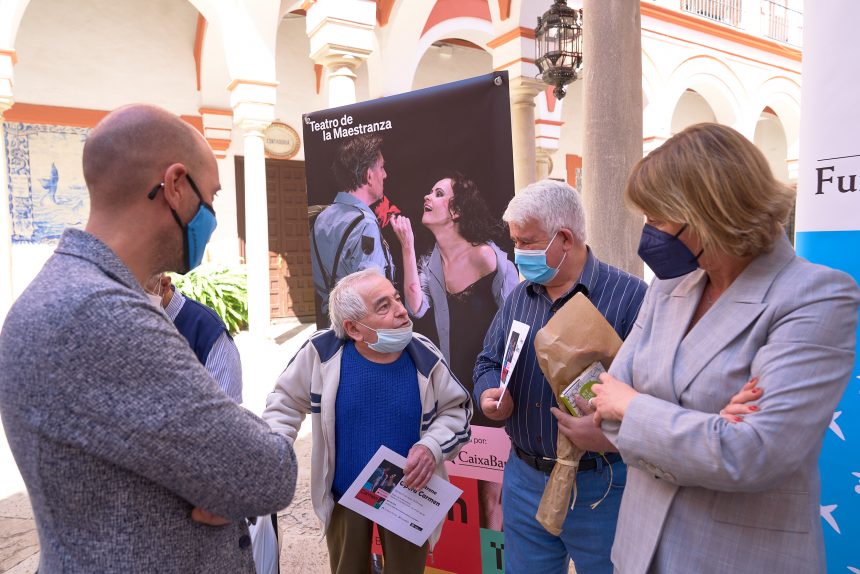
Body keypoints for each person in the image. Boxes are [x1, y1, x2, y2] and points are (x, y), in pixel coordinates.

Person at [0, 104, 297, 573]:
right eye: (212, 196)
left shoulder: (63, 290)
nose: (212, 215)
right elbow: (265, 475)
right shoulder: (105, 315)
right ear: (176, 186)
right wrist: (238, 457)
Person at [589, 123, 860, 574]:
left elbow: (753, 454)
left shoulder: (816, 295)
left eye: (657, 217)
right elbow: (604, 400)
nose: (648, 232)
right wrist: (709, 426)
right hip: (639, 552)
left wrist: (637, 408)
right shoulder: (670, 284)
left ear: (708, 213)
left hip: (737, 557)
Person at [472, 179, 648, 574]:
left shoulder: (632, 297)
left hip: (601, 484)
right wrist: (489, 395)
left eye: (527, 242)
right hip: (525, 480)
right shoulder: (519, 296)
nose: (517, 253)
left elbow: (656, 394)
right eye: (514, 241)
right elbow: (487, 360)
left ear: (564, 239)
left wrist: (608, 432)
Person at [263, 268, 471, 574]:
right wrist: (273, 448)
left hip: (407, 495)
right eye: (383, 306)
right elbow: (284, 402)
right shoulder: (322, 353)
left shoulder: (423, 355)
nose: (402, 311)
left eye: (397, 299)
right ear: (355, 329)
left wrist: (431, 447)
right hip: (345, 493)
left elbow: (458, 412)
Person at [391, 172, 519, 428]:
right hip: (455, 379)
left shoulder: (485, 256)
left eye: (439, 194)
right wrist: (407, 246)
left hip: (492, 379)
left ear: (457, 210)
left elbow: (516, 322)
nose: (428, 196)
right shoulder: (431, 262)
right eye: (430, 191)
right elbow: (415, 307)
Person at [311, 134, 395, 321]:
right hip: (363, 333)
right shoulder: (365, 224)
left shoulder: (320, 218)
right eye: (381, 167)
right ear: (368, 175)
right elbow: (375, 295)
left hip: (332, 325)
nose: (385, 174)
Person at [146, 273, 242, 402]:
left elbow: (227, 408)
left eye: (141, 293)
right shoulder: (133, 325)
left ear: (164, 284)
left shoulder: (208, 330)